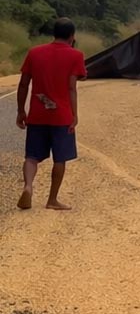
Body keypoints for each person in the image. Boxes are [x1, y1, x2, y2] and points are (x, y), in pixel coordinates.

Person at [15, 17, 87, 211]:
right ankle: (52, 200)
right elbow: (72, 88)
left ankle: (28, 186)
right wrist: (74, 115)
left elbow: (23, 84)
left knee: (31, 156)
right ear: (72, 36)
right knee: (59, 158)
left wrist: (21, 110)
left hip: (37, 115)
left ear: (53, 33)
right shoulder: (76, 55)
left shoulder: (34, 52)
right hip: (61, 116)